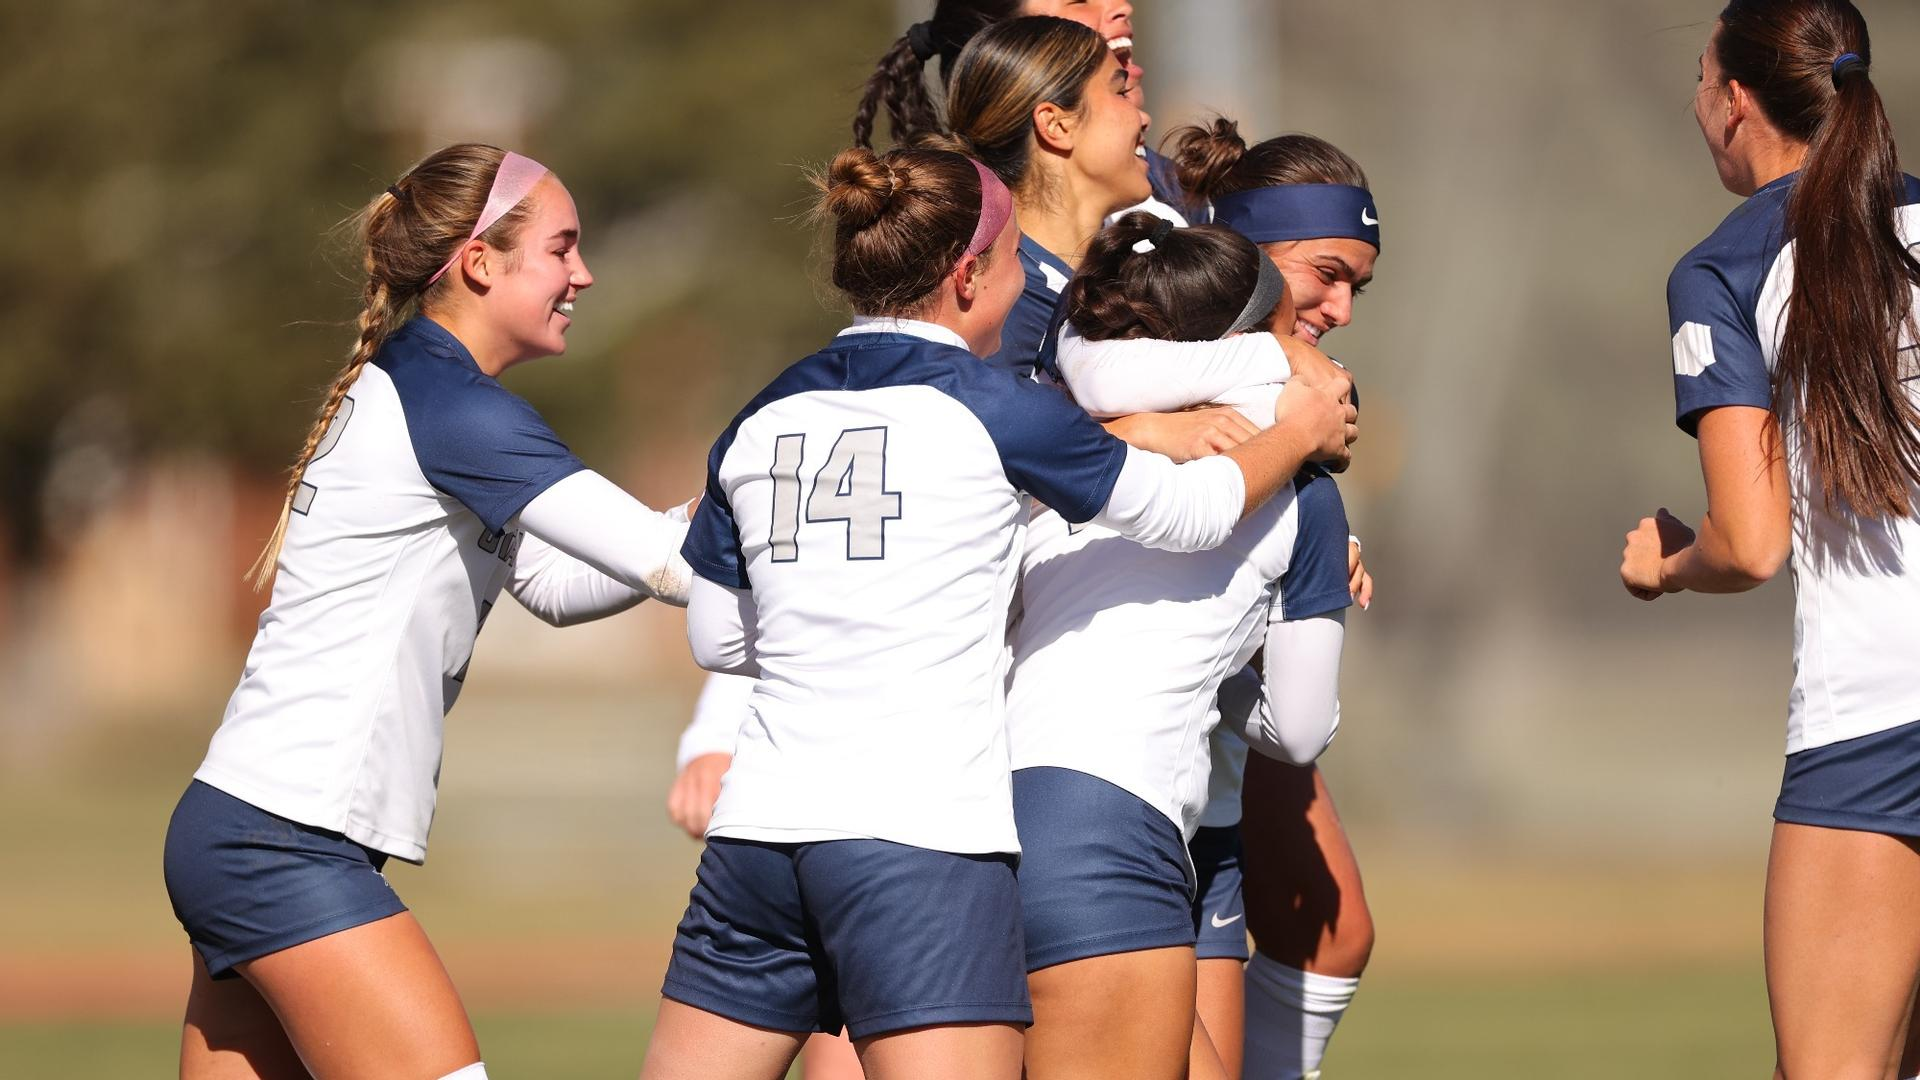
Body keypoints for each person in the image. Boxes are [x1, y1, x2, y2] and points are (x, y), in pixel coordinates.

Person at [638, 143, 1355, 1080]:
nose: (1033, 295)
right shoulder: (999, 411)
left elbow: (718, 636)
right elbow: (1193, 512)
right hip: (929, 833)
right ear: (969, 272)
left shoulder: (766, 409)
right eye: (1020, 262)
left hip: (756, 835)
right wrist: (1296, 427)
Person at [162, 144, 697, 1079]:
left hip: (251, 826)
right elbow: (666, 565)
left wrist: (701, 513)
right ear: (481, 263)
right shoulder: (451, 405)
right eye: (562, 248)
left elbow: (556, 589)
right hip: (282, 841)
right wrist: (769, 495)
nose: (584, 272)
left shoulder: (431, 388)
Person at [1619, 1, 1920, 1074]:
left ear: (1737, 102)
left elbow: (1750, 546)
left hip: (1879, 720)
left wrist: (1664, 564)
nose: (1698, 106)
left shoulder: (1729, 265)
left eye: (1701, 81)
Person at [1006, 212, 1353, 1080]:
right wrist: (1227, 686)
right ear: (1244, 340)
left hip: (967, 807)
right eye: (1285, 331)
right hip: (1102, 827)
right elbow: (1300, 731)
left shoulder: (1064, 445)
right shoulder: (1304, 488)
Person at [1159, 117, 1384, 1080]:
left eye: (1358, 287)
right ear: (1244, 250)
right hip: (1102, 788)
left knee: (1337, 932)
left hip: (1205, 780)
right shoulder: (1137, 362)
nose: (1339, 306)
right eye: (1325, 272)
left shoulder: (1305, 411)